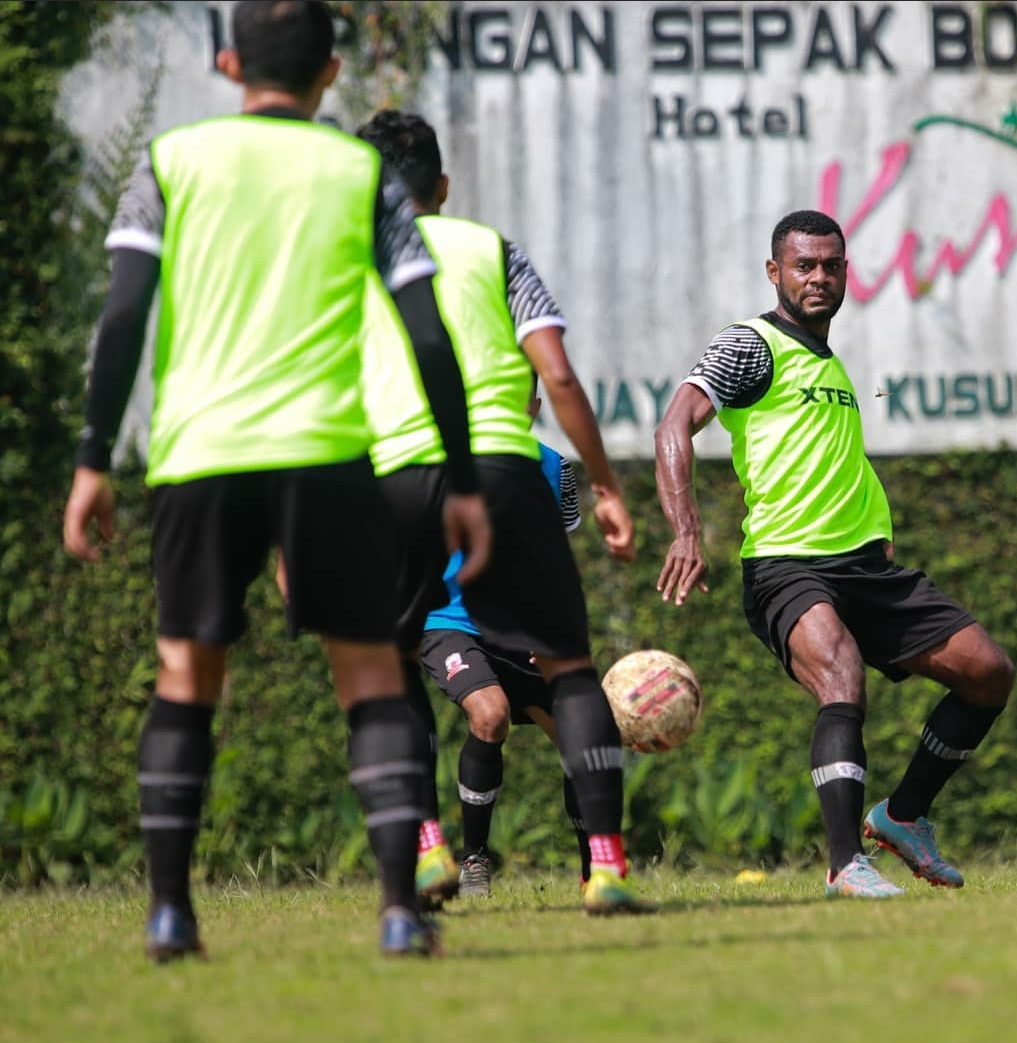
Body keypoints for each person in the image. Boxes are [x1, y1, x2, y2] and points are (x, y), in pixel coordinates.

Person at [61, 0, 490, 961]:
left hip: (198, 454)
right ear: (332, 72)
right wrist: (459, 477)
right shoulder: (363, 172)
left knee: (186, 675)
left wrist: (93, 457)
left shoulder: (172, 163)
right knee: (371, 673)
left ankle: (171, 913)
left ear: (225, 62)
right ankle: (396, 910)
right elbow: (426, 331)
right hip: (327, 454)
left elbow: (123, 314)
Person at [653, 209, 1015, 898]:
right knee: (842, 676)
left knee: (987, 672)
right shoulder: (749, 343)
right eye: (803, 265)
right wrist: (686, 529)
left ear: (845, 272)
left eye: (830, 265)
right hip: (786, 564)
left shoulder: (828, 359)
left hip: (866, 569)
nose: (817, 277)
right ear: (774, 272)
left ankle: (903, 816)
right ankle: (845, 861)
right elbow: (675, 421)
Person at [356, 108, 655, 916]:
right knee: (570, 666)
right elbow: (555, 376)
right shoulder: (493, 251)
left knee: (382, 671)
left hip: (390, 475)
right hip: (499, 464)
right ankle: (605, 866)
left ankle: (425, 847)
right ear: (442, 186)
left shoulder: (342, 268)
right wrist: (604, 484)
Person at [420, 381, 593, 898]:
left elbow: (555, 559)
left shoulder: (553, 467)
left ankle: (597, 874)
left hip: (520, 628)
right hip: (449, 620)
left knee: (584, 741)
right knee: (490, 715)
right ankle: (474, 860)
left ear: (533, 409)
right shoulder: (436, 462)